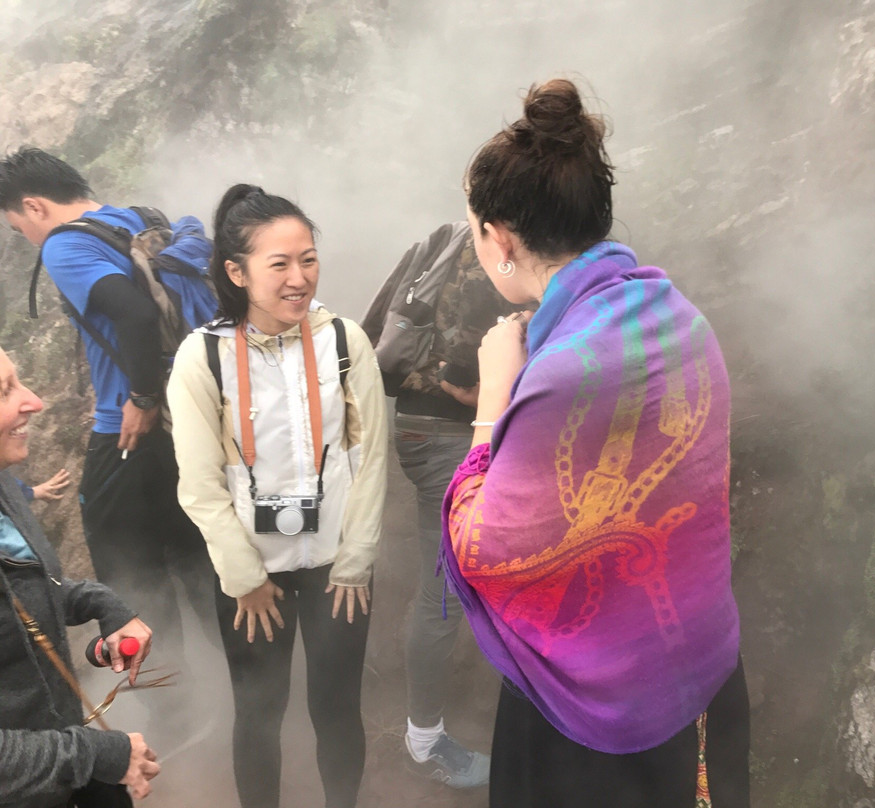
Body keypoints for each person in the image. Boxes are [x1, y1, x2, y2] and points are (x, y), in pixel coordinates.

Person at [441, 78, 751, 808]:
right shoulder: (679, 318)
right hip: (704, 673)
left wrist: (493, 398)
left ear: (502, 242)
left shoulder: (560, 372)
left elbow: (482, 546)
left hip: (598, 715)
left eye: (474, 231)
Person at [167, 185, 388, 808]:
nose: (300, 279)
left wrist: (356, 558)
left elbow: (370, 458)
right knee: (258, 713)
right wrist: (242, 575)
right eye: (280, 264)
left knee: (338, 707)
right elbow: (199, 481)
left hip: (336, 567)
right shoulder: (203, 355)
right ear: (237, 273)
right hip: (251, 573)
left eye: (309, 259)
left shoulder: (344, 341)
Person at [0, 148, 217, 692]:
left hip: (129, 435)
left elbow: (138, 314)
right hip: (189, 426)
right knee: (197, 559)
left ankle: (171, 707)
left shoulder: (66, 244)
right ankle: (254, 681)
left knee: (128, 575)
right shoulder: (140, 220)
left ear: (33, 205)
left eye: (17, 224)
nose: (25, 236)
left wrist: (141, 398)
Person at [362, 223, 515, 787]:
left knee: (451, 583)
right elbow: (463, 381)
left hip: (418, 430)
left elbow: (371, 333)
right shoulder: (496, 260)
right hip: (449, 437)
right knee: (444, 588)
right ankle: (424, 741)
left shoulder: (443, 238)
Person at [0, 346, 159, 806]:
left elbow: (28, 591)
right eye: (6, 390)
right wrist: (94, 755)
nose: (34, 401)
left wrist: (103, 607)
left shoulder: (5, 485)